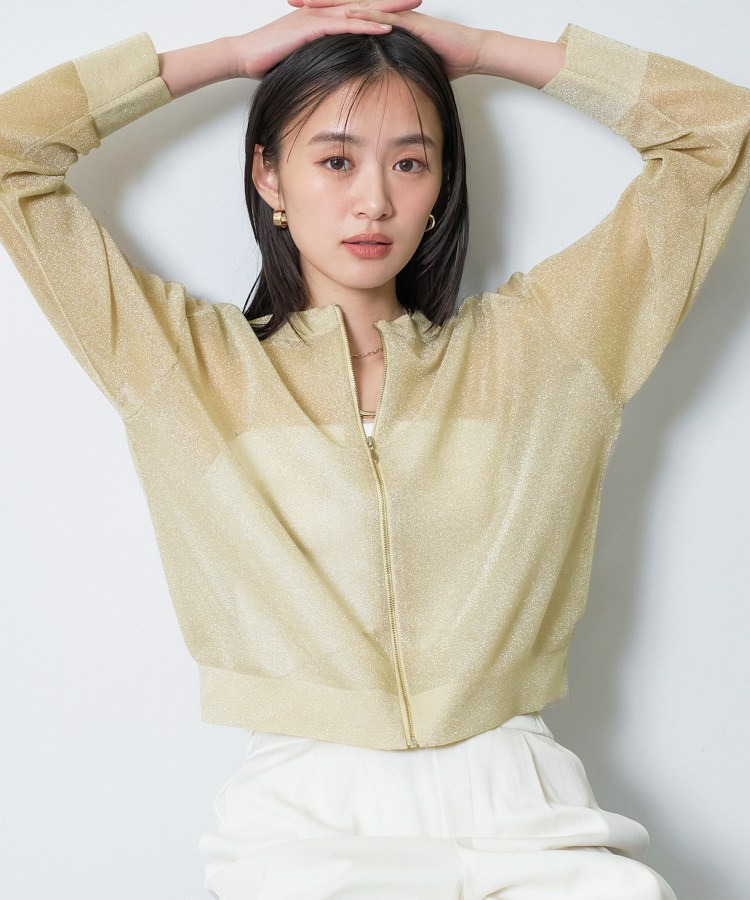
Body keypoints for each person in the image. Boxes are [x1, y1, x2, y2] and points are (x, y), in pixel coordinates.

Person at [2, 1, 749, 896]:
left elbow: (720, 134)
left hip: (523, 803)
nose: (375, 200)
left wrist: (488, 51)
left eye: (410, 161)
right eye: (335, 159)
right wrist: (232, 55)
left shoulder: (540, 352)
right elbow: (12, 150)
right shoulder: (185, 368)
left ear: (440, 186)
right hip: (307, 823)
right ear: (269, 175)